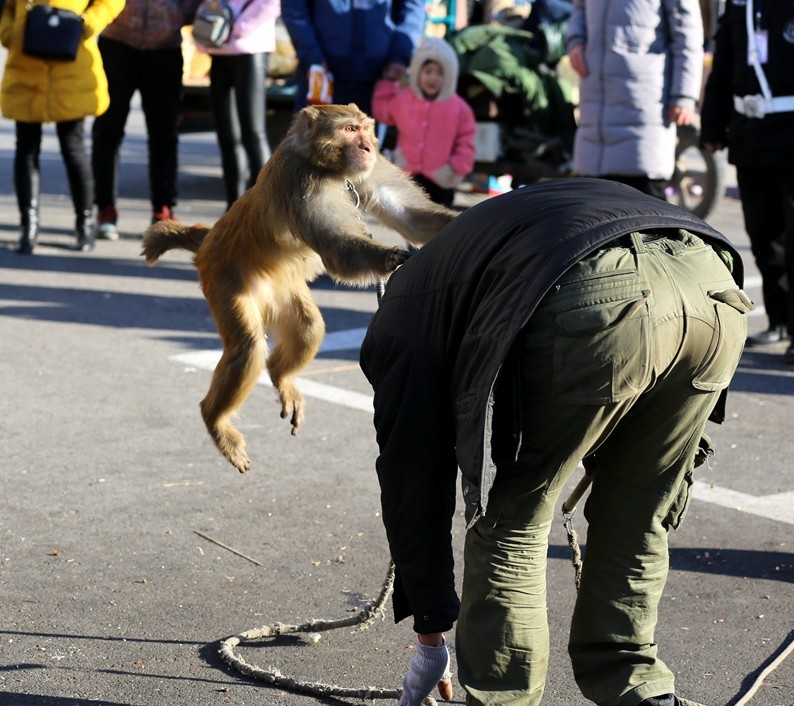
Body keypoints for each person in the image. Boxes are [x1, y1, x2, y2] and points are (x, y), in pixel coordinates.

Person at [359, 178, 753, 706]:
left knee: (512, 523)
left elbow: (413, 480)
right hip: (713, 287)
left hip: (597, 294)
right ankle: (637, 686)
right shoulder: (466, 252)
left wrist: (430, 638)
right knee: (639, 510)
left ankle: (503, 697)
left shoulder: (401, 319)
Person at [700, 0, 794, 365]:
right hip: (752, 134)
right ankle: (780, 320)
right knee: (763, 234)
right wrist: (712, 125)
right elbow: (725, 63)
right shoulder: (742, 5)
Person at [0, 0, 125, 254]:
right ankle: (28, 228)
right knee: (26, 148)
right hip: (26, 62)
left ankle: (84, 224)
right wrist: (10, 31)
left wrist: (86, 24)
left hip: (72, 60)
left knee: (73, 147)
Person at [565, 0, 704, 200]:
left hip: (645, 108)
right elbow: (580, 7)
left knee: (645, 209)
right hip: (594, 113)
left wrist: (684, 95)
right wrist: (575, 40)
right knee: (591, 208)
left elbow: (687, 33)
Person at [91, 0, 204, 240]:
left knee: (164, 133)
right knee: (107, 130)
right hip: (116, 43)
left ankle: (163, 209)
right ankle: (105, 208)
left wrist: (175, 14)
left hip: (165, 47)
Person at [193, 0, 280, 210]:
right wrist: (207, 25)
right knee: (228, 137)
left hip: (250, 51)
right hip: (218, 50)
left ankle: (265, 208)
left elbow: (271, 4)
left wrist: (236, 28)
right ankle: (233, 209)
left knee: (253, 134)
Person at [371, 36, 477, 208]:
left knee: (440, 219)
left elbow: (466, 141)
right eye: (428, 72)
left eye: (440, 73)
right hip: (407, 175)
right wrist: (388, 83)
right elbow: (383, 112)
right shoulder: (403, 99)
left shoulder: (459, 108)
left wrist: (456, 168)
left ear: (450, 75)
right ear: (417, 73)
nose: (433, 78)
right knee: (409, 218)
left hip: (441, 179)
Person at [280, 0, 427, 113]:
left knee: (367, 142)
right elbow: (294, 9)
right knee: (315, 142)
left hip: (378, 78)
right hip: (322, 76)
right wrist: (313, 57)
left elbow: (413, 11)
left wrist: (399, 58)